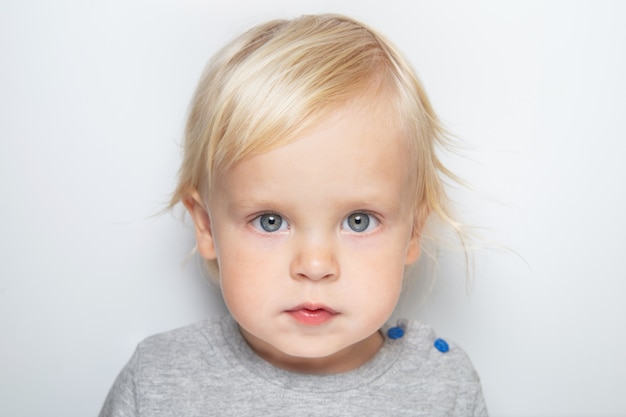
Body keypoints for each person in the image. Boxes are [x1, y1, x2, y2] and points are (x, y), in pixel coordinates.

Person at [99, 14, 487, 416]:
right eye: (270, 221)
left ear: (413, 231)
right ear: (205, 224)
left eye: (359, 221)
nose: (315, 265)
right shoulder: (159, 380)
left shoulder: (443, 386)